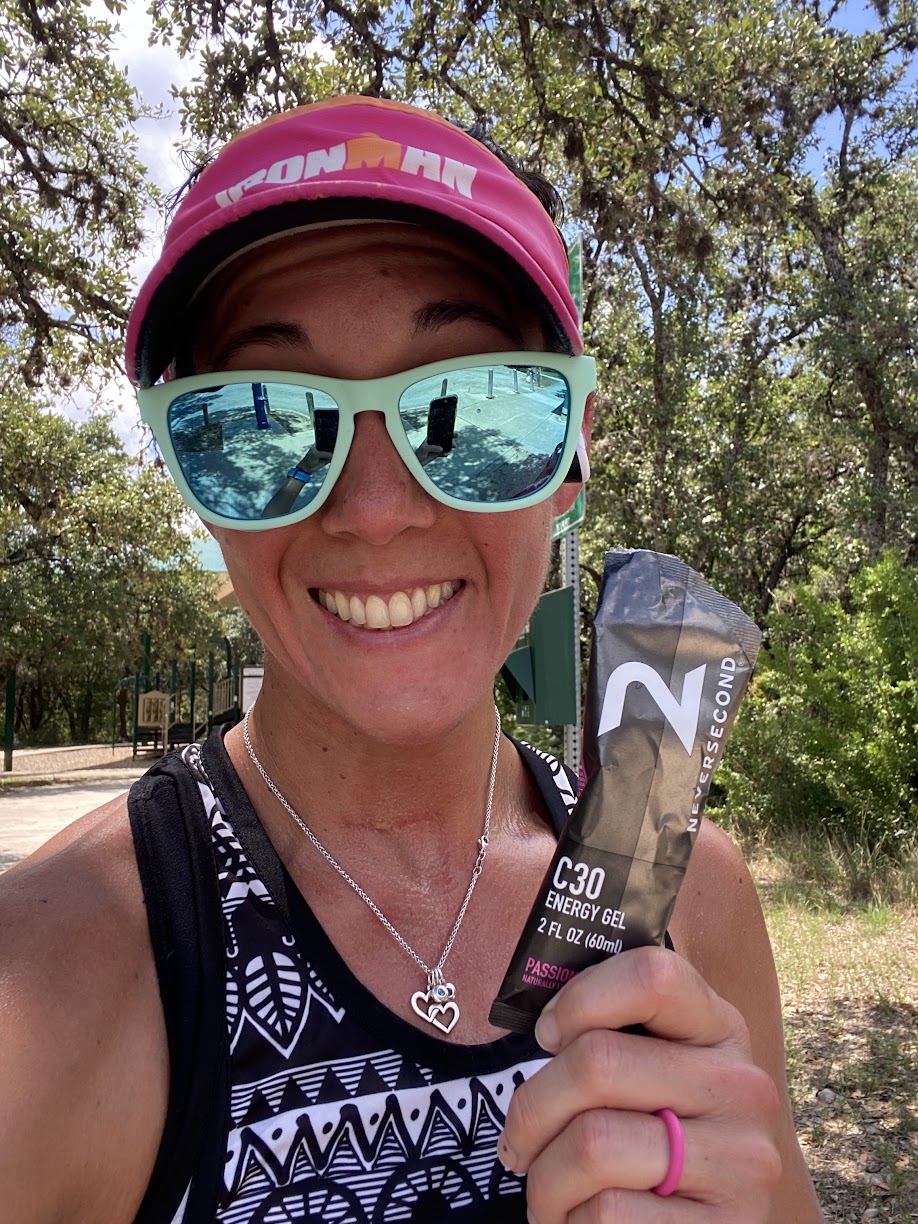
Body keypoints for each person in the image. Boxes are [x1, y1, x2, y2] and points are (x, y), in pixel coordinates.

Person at [0, 96, 824, 1223]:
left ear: (568, 463)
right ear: (196, 484)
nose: (377, 509)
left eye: (472, 408)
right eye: (261, 425)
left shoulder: (694, 903)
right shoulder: (50, 984)